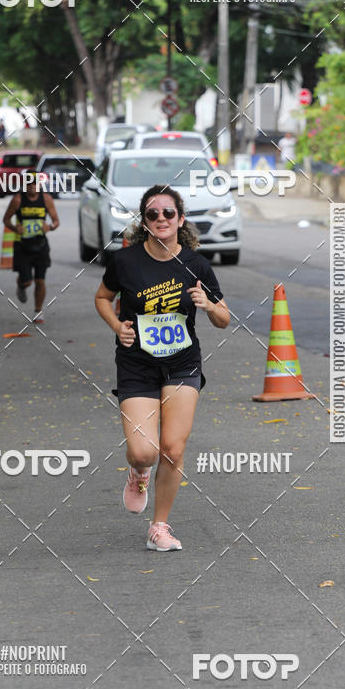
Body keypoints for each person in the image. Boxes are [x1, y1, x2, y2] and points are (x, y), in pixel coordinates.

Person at [95, 185, 230, 552]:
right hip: (137, 365)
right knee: (144, 452)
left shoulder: (196, 265)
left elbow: (224, 318)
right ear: (145, 221)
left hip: (182, 363)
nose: (161, 220)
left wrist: (208, 305)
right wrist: (117, 325)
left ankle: (160, 526)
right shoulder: (125, 262)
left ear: (180, 219)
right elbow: (103, 298)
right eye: (153, 214)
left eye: (168, 214)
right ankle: (138, 472)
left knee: (172, 447)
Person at [3, 174, 59, 322]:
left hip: (41, 245)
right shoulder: (18, 199)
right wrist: (15, 228)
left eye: (35, 183)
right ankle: (21, 285)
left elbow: (56, 220)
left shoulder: (46, 199)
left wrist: (50, 227)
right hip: (22, 246)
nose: (32, 186)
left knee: (40, 280)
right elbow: (6, 219)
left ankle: (38, 311)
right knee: (27, 281)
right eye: (29, 184)